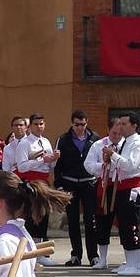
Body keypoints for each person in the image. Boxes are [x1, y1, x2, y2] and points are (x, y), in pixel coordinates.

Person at [85, 113, 140, 276]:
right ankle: (130, 262)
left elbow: (129, 165)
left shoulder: (138, 144)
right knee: (124, 226)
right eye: (120, 123)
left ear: (134, 126)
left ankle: (137, 265)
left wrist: (113, 154)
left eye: (124, 123)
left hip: (131, 188)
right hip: (121, 187)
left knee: (131, 225)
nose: (120, 127)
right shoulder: (128, 143)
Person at [3, 113, 58, 243]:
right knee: (33, 216)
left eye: (41, 124)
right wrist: (41, 161)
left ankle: (40, 247)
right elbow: (21, 167)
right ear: (30, 126)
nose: (39, 127)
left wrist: (54, 159)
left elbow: (50, 166)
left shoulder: (45, 142)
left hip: (44, 181)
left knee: (44, 214)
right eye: (36, 124)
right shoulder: (25, 144)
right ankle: (32, 248)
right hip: (30, 182)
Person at [54, 111, 99, 267]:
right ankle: (76, 255)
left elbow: (99, 162)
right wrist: (59, 186)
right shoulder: (63, 139)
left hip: (89, 183)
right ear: (72, 123)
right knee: (72, 221)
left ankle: (94, 256)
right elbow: (57, 164)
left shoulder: (95, 139)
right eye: (77, 124)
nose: (80, 127)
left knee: (90, 220)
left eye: (83, 124)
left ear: (87, 123)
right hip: (70, 183)